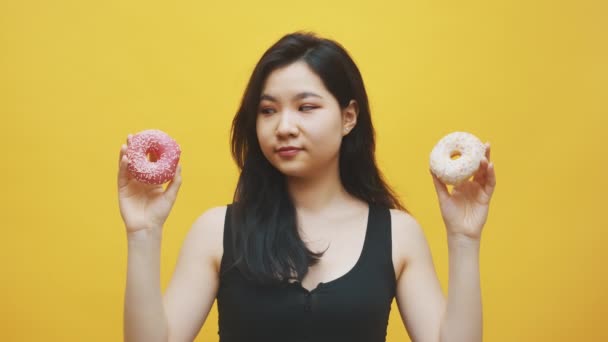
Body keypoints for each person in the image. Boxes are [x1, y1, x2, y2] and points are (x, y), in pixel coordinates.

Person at [118, 31, 496, 342]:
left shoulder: (398, 234)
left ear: (348, 117)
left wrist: (464, 239)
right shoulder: (216, 231)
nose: (283, 126)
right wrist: (143, 232)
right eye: (268, 111)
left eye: (306, 107)